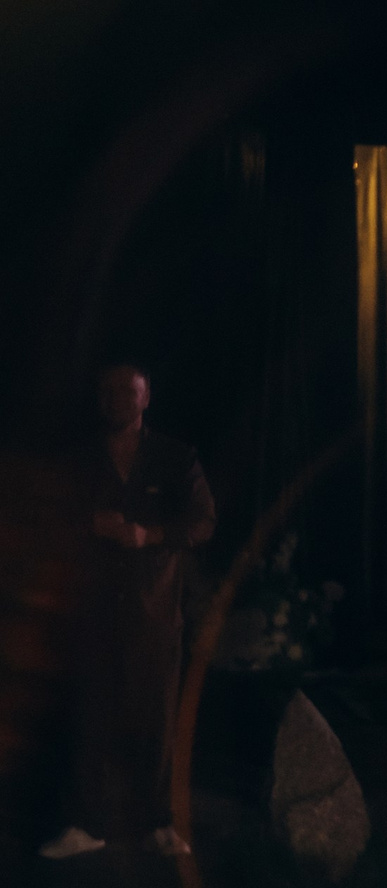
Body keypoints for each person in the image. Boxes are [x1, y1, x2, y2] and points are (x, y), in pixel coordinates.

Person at [43, 362, 216, 861]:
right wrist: (88, 523)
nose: (115, 397)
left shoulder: (175, 458)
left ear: (146, 398)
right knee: (90, 717)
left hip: (153, 613)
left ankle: (156, 823)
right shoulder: (82, 458)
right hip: (93, 612)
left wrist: (150, 535)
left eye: (126, 390)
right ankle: (87, 824)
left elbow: (204, 522)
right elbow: (50, 515)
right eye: (108, 390)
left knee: (155, 720)